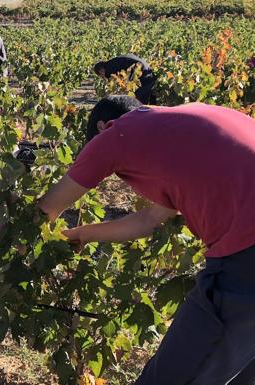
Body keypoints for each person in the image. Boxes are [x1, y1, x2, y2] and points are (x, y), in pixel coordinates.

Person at [37, 95, 255, 385]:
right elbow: (149, 219)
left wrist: (23, 242)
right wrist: (82, 234)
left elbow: (46, 209)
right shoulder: (179, 124)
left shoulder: (115, 135)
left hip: (245, 259)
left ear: (102, 127)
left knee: (171, 376)